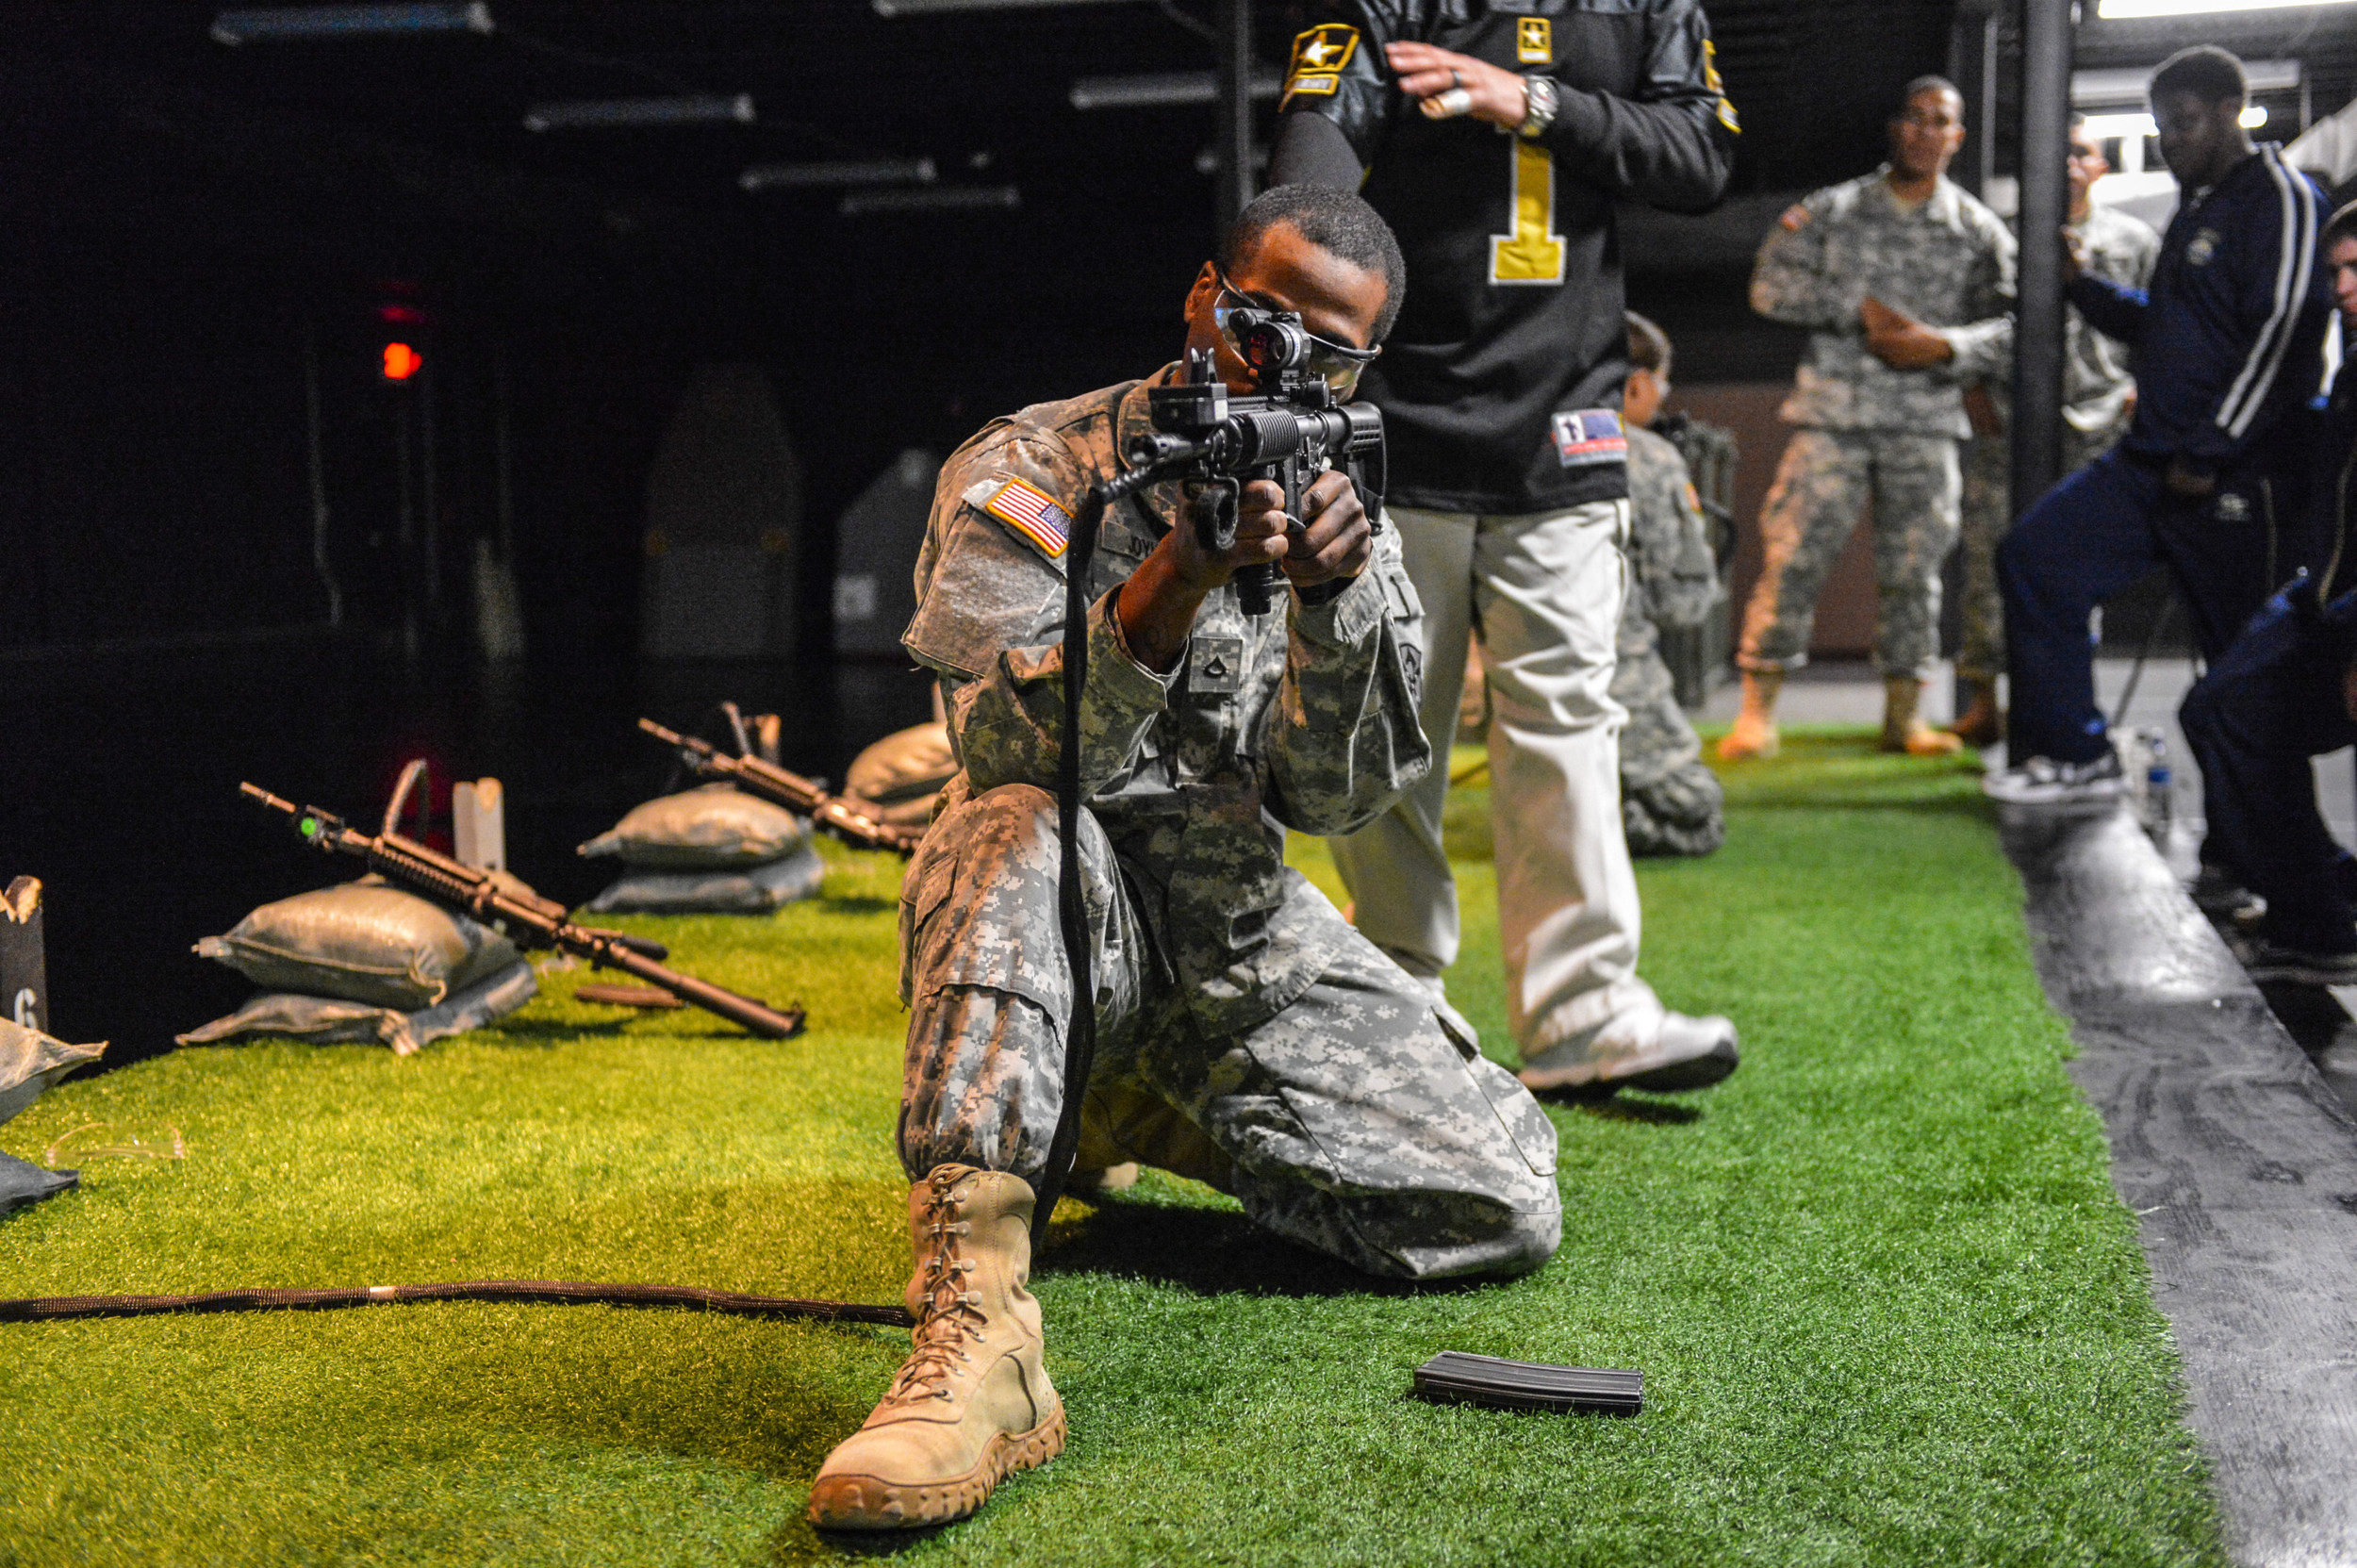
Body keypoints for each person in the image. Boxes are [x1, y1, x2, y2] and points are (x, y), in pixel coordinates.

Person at [804, 186, 1563, 1533]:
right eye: (1264, 325)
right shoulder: (1035, 468)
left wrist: (1337, 598)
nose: (1285, 370)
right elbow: (997, 747)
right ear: (1208, 300)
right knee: (1011, 832)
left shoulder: (1337, 498)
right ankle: (978, 1335)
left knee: (1500, 1195)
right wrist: (1161, 588)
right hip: (1061, 912)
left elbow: (1335, 794)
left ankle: (1117, 1101)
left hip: (1235, 939)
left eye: (1331, 356)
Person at [1268, 0, 1745, 1094]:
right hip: (1397, 415)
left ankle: (1582, 1013)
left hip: (1564, 411)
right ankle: (1394, 991)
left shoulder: (1643, 6)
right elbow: (1305, 174)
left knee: (1567, 708)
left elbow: (1703, 151)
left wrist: (1530, 102)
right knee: (1386, 714)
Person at [1987, 45, 2332, 806]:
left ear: (2227, 114)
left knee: (2236, 672)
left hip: (2235, 475)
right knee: (2035, 560)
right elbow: (2174, 325)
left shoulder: (2282, 196)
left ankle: (2254, 863)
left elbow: (2284, 331)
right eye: (2160, 126)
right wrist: (2085, 291)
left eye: (2181, 125)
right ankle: (2079, 754)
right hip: (2152, 463)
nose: (2170, 141)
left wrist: (2211, 450)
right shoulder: (2197, 207)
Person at [1721, 75, 2018, 761]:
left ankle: (1904, 717)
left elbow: (2015, 322)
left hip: (1926, 418)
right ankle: (1757, 712)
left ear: (1957, 136)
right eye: (1912, 117)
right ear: (1895, 128)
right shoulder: (1834, 210)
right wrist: (1857, 308)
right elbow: (1769, 286)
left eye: (1939, 121)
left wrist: (1947, 345)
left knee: (1915, 572)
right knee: (1793, 555)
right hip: (1835, 413)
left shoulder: (1976, 229)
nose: (1924, 131)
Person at [2176, 203, 2357, 982]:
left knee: (2243, 715)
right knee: (2217, 708)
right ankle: (2326, 892)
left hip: (2349, 618)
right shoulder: (2350, 370)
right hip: (2320, 599)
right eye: (2337, 271)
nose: (2343, 287)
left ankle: (2318, 925)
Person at [1946, 118, 2161, 746]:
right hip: (2011, 422)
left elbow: (2161, 322)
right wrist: (1972, 390)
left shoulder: (2134, 240)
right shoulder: (2006, 240)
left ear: (2102, 166)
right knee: (1988, 557)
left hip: (2099, 421)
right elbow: (1971, 321)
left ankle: (2061, 700)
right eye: (2059, 152)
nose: (2070, 163)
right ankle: (1983, 699)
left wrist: (2144, 389)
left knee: (2072, 568)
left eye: (2082, 153)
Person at [1619, 311, 1726, 856]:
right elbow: (1680, 602)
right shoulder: (1650, 456)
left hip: (1499, 688)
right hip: (1616, 681)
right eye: (1661, 384)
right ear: (1637, 383)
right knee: (1698, 814)